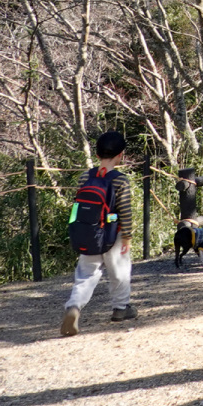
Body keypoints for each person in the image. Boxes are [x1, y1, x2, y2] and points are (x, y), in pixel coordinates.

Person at [60, 130, 136, 335]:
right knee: (119, 271)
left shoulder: (85, 176)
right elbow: (125, 211)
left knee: (85, 274)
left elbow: (77, 206)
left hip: (89, 233)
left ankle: (74, 306)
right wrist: (127, 236)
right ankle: (121, 309)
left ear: (97, 155)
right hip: (114, 234)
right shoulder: (120, 180)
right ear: (121, 155)